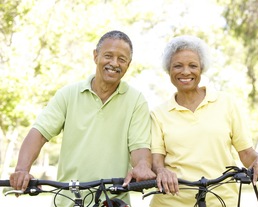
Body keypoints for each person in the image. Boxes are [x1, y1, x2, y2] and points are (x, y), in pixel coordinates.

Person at [9, 30, 156, 207]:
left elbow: (139, 146)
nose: (114, 63)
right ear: (95, 56)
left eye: (122, 59)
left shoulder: (136, 100)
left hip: (113, 202)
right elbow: (39, 133)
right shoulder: (68, 94)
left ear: (128, 64)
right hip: (68, 200)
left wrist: (142, 165)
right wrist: (22, 170)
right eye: (108, 56)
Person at [150, 35, 258, 207]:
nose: (185, 72)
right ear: (168, 70)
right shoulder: (158, 114)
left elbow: (246, 153)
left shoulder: (226, 103)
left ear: (202, 69)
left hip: (221, 200)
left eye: (193, 66)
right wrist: (162, 172)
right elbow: (156, 162)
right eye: (178, 66)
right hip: (171, 201)